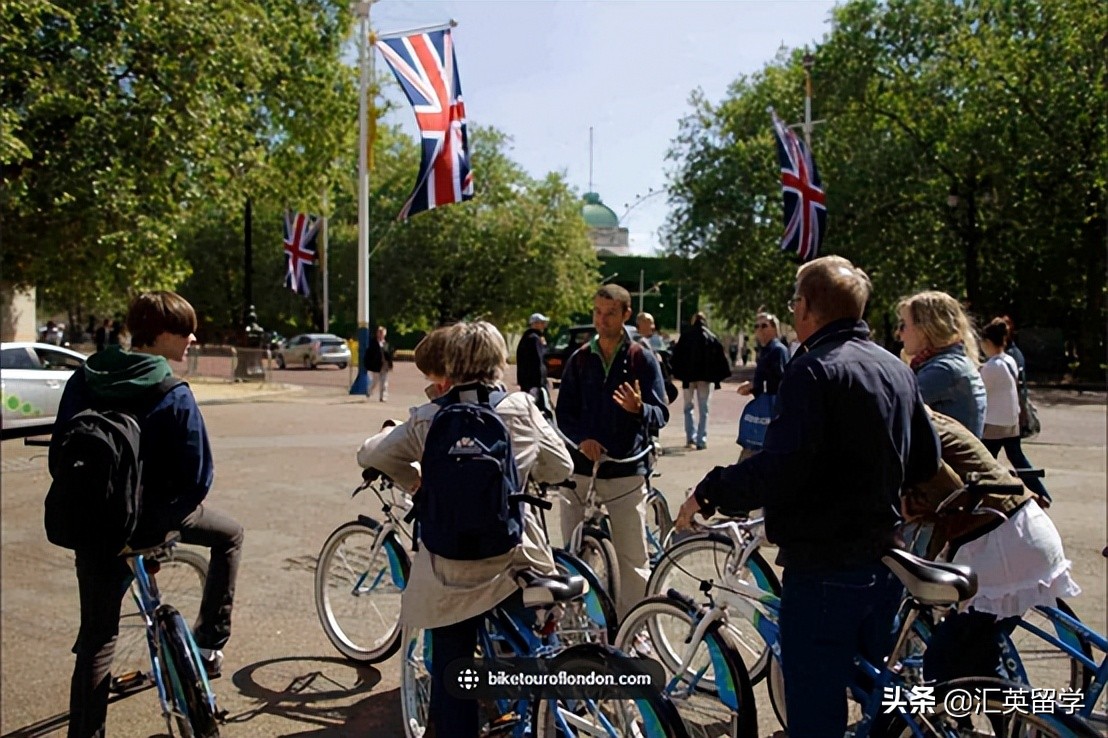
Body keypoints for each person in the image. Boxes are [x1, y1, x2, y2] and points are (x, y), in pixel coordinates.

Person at [676, 256, 941, 738]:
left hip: (824, 566)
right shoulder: (895, 368)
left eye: (794, 301)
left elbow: (780, 468)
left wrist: (709, 492)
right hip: (885, 562)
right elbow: (927, 460)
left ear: (806, 308)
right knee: (874, 693)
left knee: (816, 709)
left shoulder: (813, 369)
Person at [357, 321, 572, 738]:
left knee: (452, 670)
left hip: (450, 568)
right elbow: (561, 465)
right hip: (513, 557)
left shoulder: (429, 416)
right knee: (532, 645)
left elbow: (371, 455)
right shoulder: (521, 408)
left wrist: (415, 481)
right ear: (498, 361)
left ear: (450, 364)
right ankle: (542, 714)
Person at [54, 291, 243, 738]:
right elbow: (199, 476)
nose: (192, 338)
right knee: (230, 535)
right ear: (159, 336)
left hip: (94, 525)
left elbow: (60, 455)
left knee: (98, 639)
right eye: (184, 331)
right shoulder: (173, 392)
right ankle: (209, 643)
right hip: (152, 523)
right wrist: (162, 518)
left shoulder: (84, 379)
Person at [902, 408, 1079, 683]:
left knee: (949, 664)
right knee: (971, 660)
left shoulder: (909, 430)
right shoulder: (916, 417)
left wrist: (901, 508)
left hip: (1001, 544)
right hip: (1010, 533)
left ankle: (1012, 707)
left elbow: (948, 492)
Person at [556, 285, 669, 617]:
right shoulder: (579, 359)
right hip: (581, 470)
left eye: (610, 313)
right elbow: (564, 414)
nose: (601, 320)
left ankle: (633, 627)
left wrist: (640, 409)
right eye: (597, 312)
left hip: (625, 471)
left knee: (632, 559)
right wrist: (581, 439)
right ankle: (576, 622)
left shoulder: (641, 358)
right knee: (574, 553)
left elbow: (661, 413)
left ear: (625, 315)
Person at [979, 318, 1052, 504]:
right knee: (1017, 458)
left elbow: (979, 389)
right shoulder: (1009, 360)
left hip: (994, 423)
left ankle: (986, 497)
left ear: (988, 342)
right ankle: (1041, 493)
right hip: (1011, 419)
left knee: (984, 461)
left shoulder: (991, 367)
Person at [897, 290, 987, 437]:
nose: (898, 334)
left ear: (925, 328)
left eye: (903, 325)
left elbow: (891, 408)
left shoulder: (943, 370)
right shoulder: (953, 363)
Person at [669, 312, 731, 450]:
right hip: (706, 378)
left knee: (688, 407)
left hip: (688, 377)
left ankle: (690, 438)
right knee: (704, 409)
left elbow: (677, 356)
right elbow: (719, 359)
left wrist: (678, 373)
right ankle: (701, 440)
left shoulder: (686, 336)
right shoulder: (711, 337)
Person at [735, 312, 789, 460]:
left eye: (764, 325)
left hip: (772, 408)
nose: (759, 329)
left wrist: (754, 386)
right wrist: (753, 386)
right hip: (764, 406)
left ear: (774, 328)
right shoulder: (766, 350)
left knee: (753, 455)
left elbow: (780, 379)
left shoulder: (777, 350)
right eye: (756, 326)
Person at [515, 312, 550, 394]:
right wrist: (541, 382)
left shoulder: (527, 337)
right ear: (535, 324)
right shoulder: (534, 339)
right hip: (534, 383)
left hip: (527, 382)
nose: (544, 325)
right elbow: (538, 361)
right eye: (542, 323)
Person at [362, 325, 394, 402]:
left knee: (384, 382)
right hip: (376, 365)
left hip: (385, 365)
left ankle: (383, 397)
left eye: (382, 333)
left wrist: (390, 364)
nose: (381, 334)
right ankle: (369, 391)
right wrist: (368, 364)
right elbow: (369, 354)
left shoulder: (386, 343)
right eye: (379, 332)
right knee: (375, 381)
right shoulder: (373, 343)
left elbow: (389, 355)